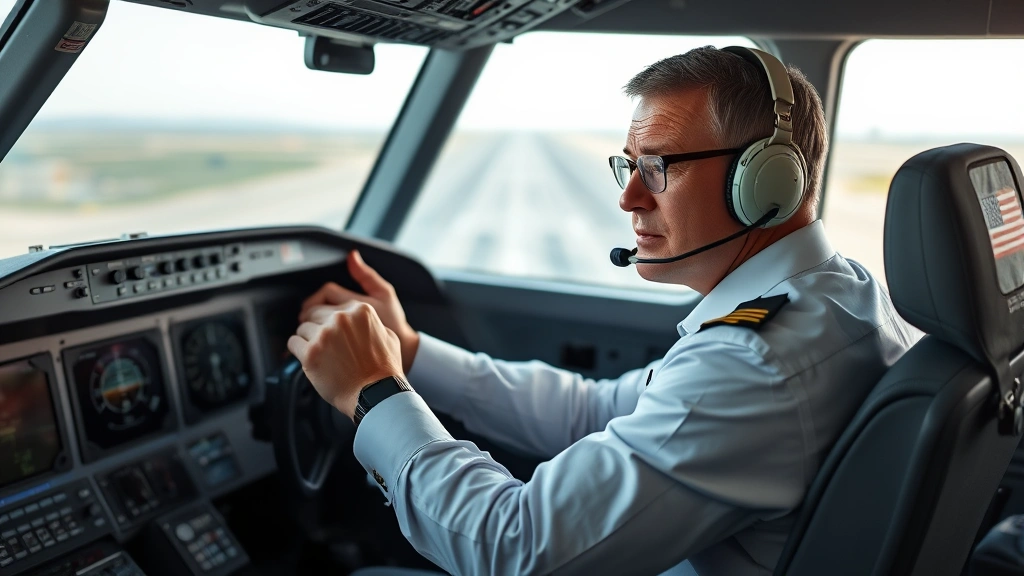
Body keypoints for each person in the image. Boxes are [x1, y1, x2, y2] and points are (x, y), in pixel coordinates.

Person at [287, 46, 918, 575]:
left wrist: (374, 393)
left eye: (658, 168)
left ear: (767, 182)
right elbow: (595, 410)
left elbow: (515, 547)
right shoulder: (837, 291)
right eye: (628, 167)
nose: (630, 198)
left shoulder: (756, 363)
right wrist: (412, 351)